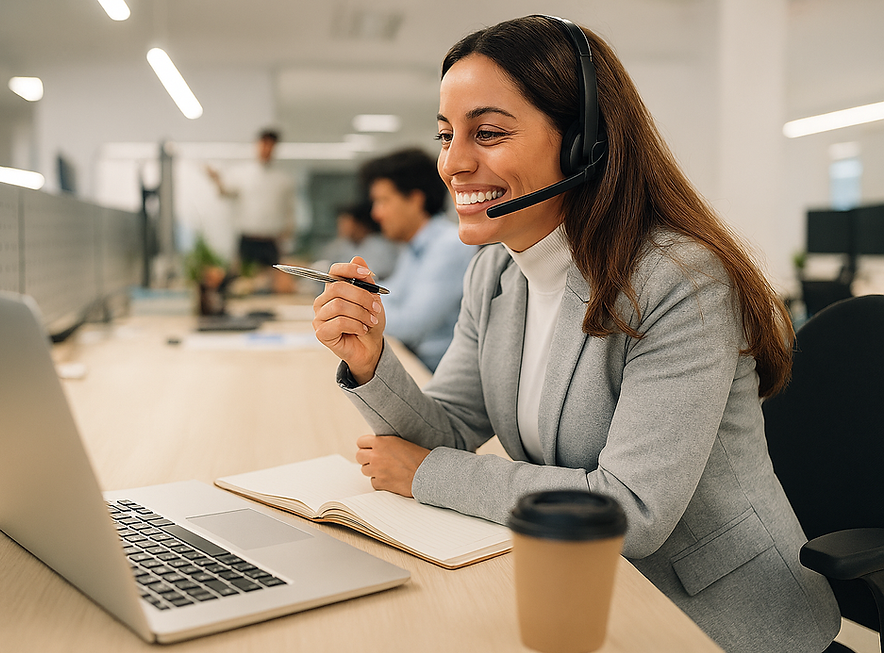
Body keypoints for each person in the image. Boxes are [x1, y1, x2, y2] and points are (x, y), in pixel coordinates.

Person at [310, 15, 840, 653]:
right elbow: (451, 428)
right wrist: (371, 363)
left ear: (584, 143)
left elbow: (631, 510)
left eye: (489, 133)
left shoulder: (679, 281)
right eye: (447, 135)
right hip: (579, 586)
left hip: (714, 618)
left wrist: (425, 473)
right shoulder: (498, 274)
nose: (453, 164)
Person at [358, 148, 477, 371]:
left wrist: (357, 308)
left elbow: (409, 325)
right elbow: (391, 296)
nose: (376, 214)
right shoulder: (414, 246)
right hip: (415, 364)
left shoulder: (449, 246)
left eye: (383, 201)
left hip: (435, 374)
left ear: (414, 200)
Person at [206, 128, 296, 291]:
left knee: (274, 284)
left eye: (270, 146)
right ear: (257, 145)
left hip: (271, 240)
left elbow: (289, 212)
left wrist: (287, 238)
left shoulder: (283, 180)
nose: (266, 149)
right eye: (263, 144)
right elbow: (225, 191)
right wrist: (216, 179)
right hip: (247, 239)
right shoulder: (242, 174)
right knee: (237, 282)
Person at [319, 200, 401, 281]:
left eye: (345, 223)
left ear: (359, 224)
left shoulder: (379, 246)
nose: (341, 227)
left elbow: (372, 275)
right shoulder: (345, 245)